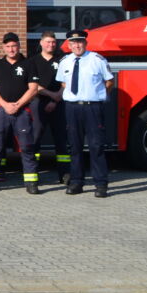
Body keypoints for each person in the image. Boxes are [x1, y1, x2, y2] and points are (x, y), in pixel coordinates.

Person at [56, 29, 114, 198]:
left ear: (85, 43)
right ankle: (76, 182)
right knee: (74, 146)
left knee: (96, 146)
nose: (77, 45)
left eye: (80, 42)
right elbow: (64, 84)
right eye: (73, 43)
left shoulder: (97, 60)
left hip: (92, 108)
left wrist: (96, 95)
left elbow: (109, 81)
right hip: (72, 108)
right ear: (69, 45)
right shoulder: (65, 61)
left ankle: (101, 184)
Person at [0, 33, 42, 194]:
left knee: (27, 147)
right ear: (3, 48)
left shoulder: (29, 63)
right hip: (1, 110)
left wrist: (18, 105)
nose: (11, 49)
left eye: (14, 45)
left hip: (22, 111)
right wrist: (6, 105)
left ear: (19, 46)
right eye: (7, 46)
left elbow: (33, 88)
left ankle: (31, 183)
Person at [28, 31, 70, 184]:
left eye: (53, 42)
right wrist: (52, 95)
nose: (51, 44)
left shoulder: (62, 60)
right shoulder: (33, 61)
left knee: (61, 140)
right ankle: (33, 173)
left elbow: (66, 80)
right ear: (41, 43)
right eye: (47, 42)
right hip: (38, 103)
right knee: (35, 138)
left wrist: (57, 97)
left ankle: (65, 174)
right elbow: (32, 85)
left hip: (59, 104)